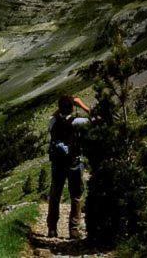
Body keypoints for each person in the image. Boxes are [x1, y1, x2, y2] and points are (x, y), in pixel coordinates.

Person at [46, 95, 91, 239]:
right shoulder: (78, 122)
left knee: (55, 195)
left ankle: (52, 228)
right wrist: (82, 105)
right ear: (72, 108)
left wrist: (60, 109)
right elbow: (99, 119)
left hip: (57, 163)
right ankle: (73, 229)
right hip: (74, 162)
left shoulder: (53, 121)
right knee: (76, 196)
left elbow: (53, 117)